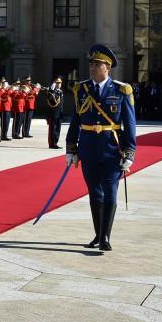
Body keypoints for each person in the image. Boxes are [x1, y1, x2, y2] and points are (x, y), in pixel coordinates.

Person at [66, 45, 136, 252]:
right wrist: (71, 149)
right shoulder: (81, 89)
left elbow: (129, 123)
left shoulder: (122, 90)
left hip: (112, 149)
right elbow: (76, 121)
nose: (92, 67)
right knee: (94, 193)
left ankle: (106, 236)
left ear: (108, 67)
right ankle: (98, 234)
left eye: (97, 64)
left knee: (110, 192)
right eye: (91, 64)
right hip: (88, 149)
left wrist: (130, 152)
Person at [47, 77, 65, 149]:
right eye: (57, 82)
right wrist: (51, 90)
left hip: (59, 113)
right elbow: (49, 98)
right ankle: (52, 144)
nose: (58, 84)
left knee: (58, 129)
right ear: (54, 83)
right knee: (53, 129)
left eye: (60, 83)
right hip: (53, 113)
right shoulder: (51, 91)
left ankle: (56, 143)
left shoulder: (60, 91)